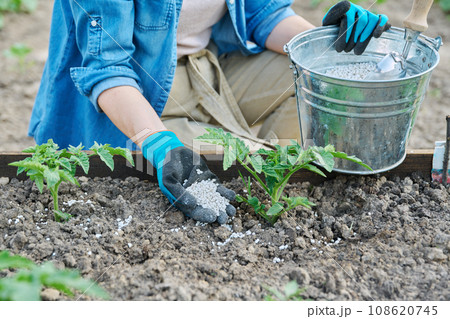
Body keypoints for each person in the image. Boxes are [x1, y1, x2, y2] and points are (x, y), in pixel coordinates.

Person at [29, 0, 389, 224]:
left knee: (313, 81)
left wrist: (326, 44)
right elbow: (107, 68)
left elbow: (263, 14)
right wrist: (159, 145)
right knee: (246, 162)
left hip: (211, 69)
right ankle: (258, 186)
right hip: (137, 99)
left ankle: (280, 189)